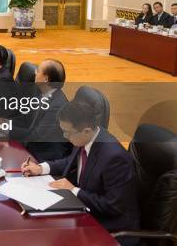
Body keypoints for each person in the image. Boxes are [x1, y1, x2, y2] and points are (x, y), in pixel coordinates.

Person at [22, 101, 139, 243]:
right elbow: (69, 161)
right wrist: (41, 168)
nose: (65, 136)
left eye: (67, 132)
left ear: (86, 131)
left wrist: (73, 190)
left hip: (108, 225)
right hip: (84, 208)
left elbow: (113, 206)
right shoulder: (86, 138)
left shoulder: (115, 158)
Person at [16, 59, 72, 161]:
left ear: (46, 79)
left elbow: (36, 136)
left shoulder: (57, 106)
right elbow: (25, 118)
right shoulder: (42, 93)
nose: (35, 72)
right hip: (32, 147)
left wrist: (7, 131)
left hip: (45, 156)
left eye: (38, 70)